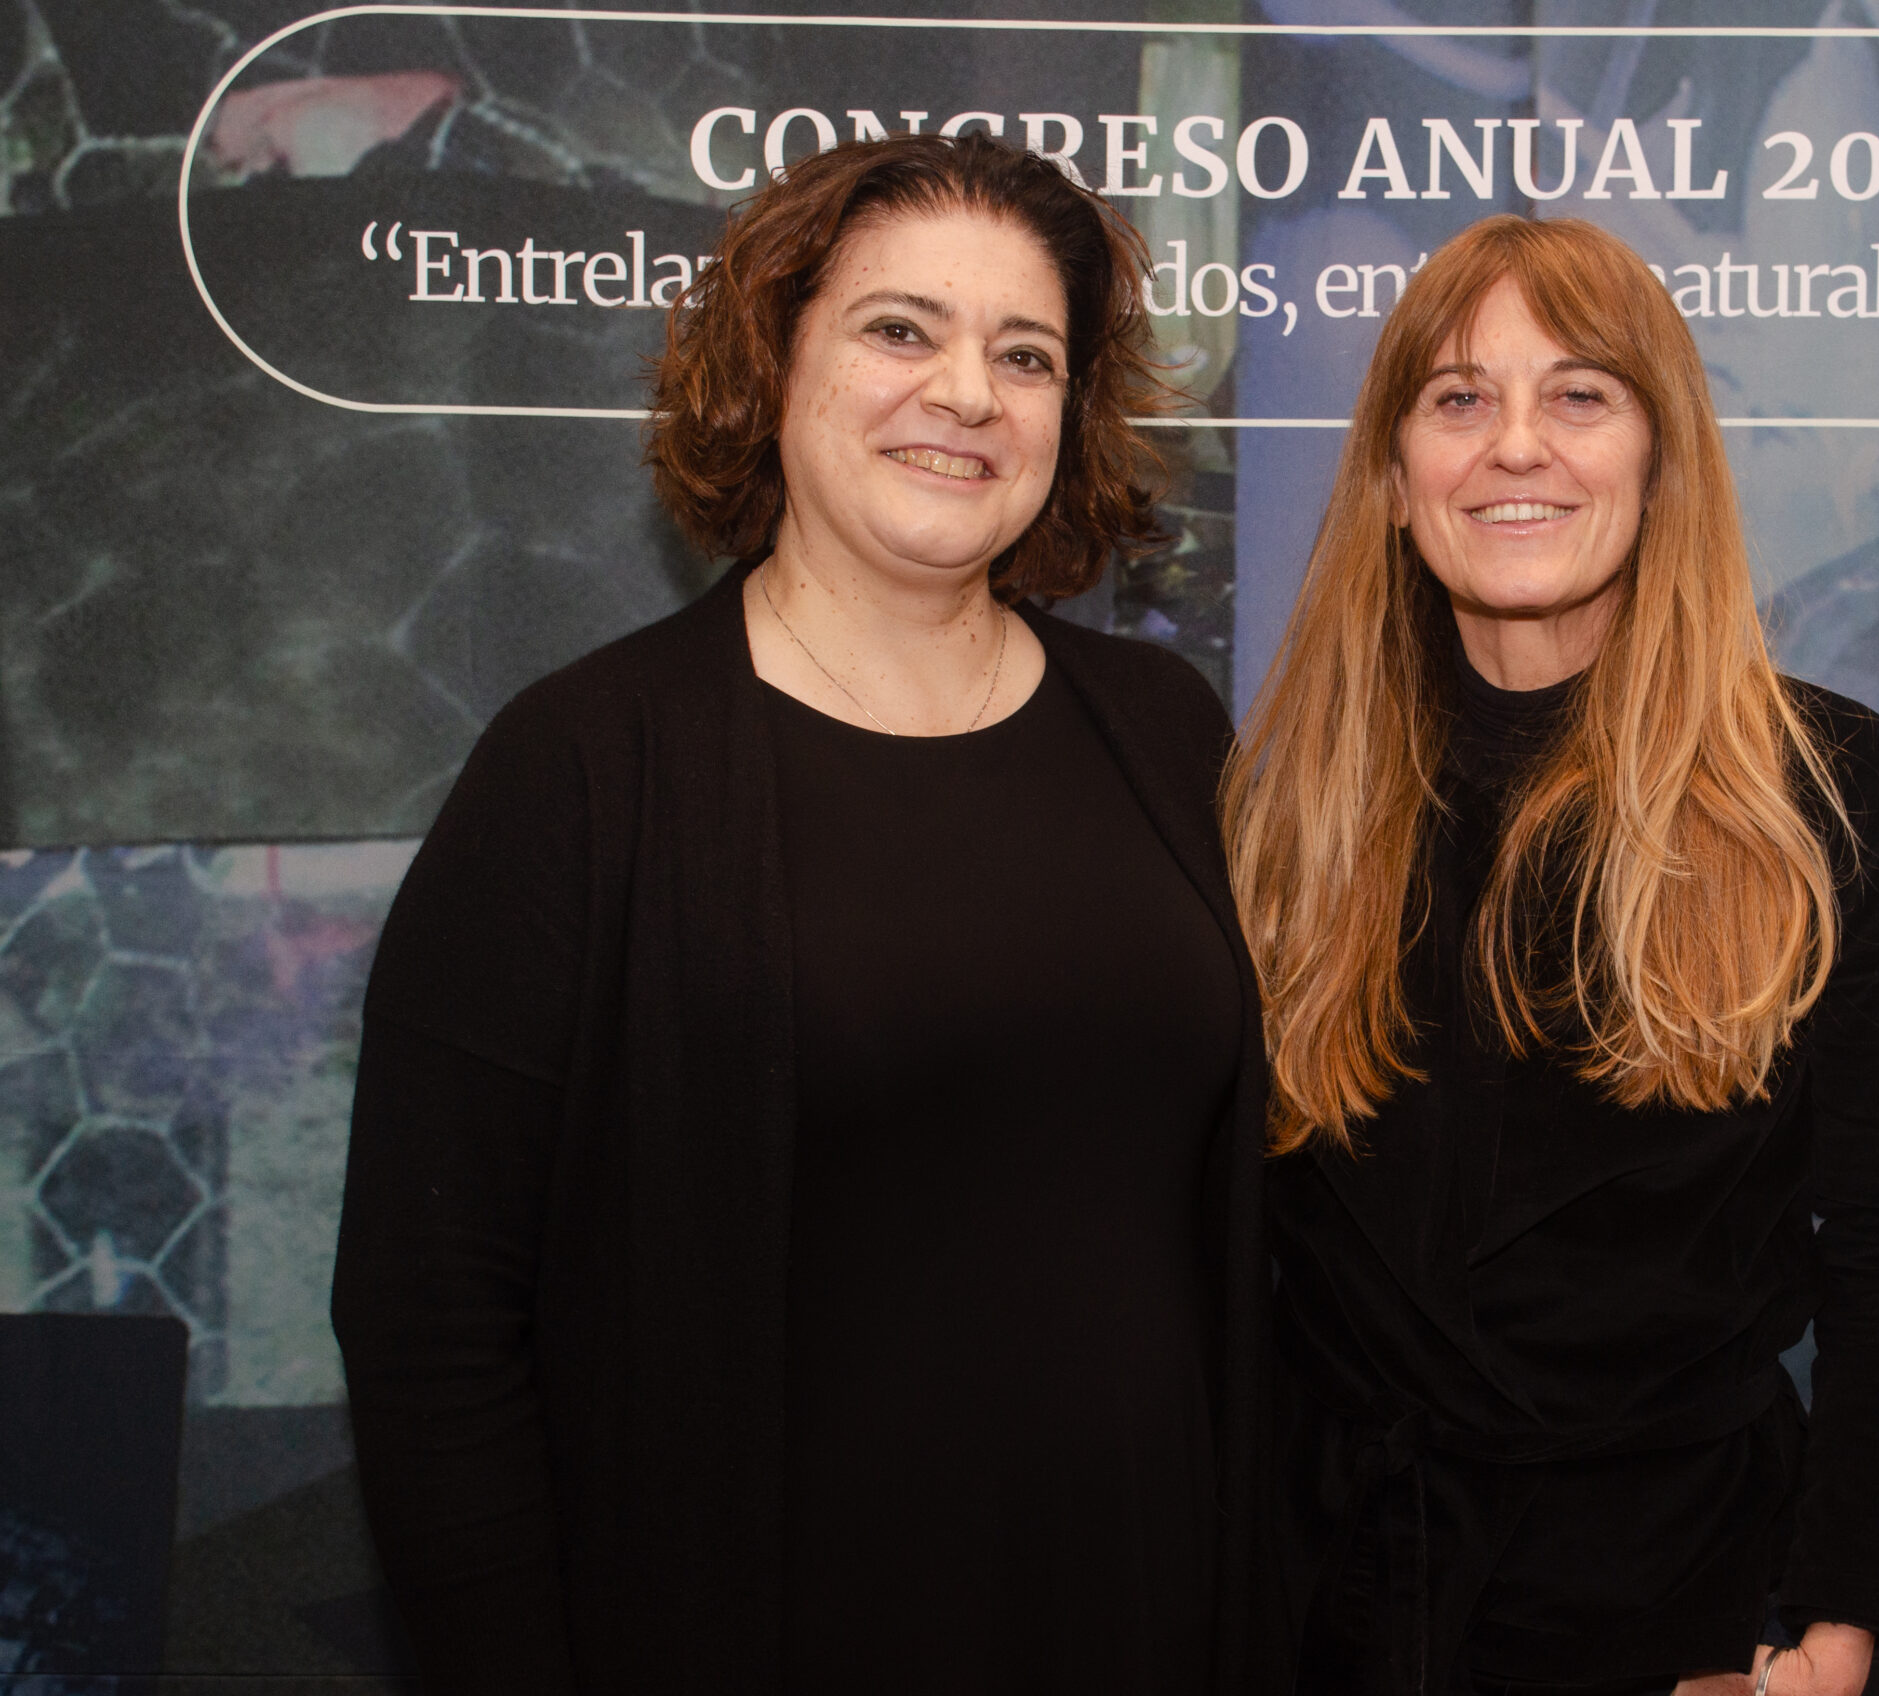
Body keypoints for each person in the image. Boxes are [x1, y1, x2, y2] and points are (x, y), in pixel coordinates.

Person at [332, 133, 1276, 1696]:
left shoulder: (1165, 732)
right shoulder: (585, 770)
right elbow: (431, 1324)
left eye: (1025, 355)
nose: (967, 393)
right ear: (775, 360)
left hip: (1150, 1623)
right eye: (901, 329)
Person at [1222, 214, 1879, 1696]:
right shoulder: (1278, 805)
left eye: (1578, 394)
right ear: (1393, 479)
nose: (1517, 445)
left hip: (1682, 1603)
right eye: (1459, 397)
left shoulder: (1840, 800)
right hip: (1321, 1591)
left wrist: (1828, 1628)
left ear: (1661, 459)